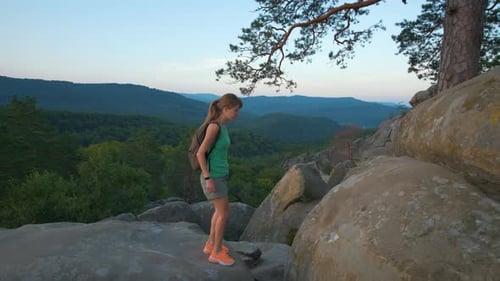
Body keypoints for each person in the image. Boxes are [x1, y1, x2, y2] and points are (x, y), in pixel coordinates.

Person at [196, 93, 242, 266]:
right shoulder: (214, 127)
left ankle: (210, 245)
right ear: (226, 108)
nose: (237, 114)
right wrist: (208, 177)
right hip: (213, 177)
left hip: (219, 175)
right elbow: (200, 153)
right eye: (235, 110)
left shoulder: (222, 127)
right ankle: (216, 252)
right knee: (224, 213)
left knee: (219, 212)